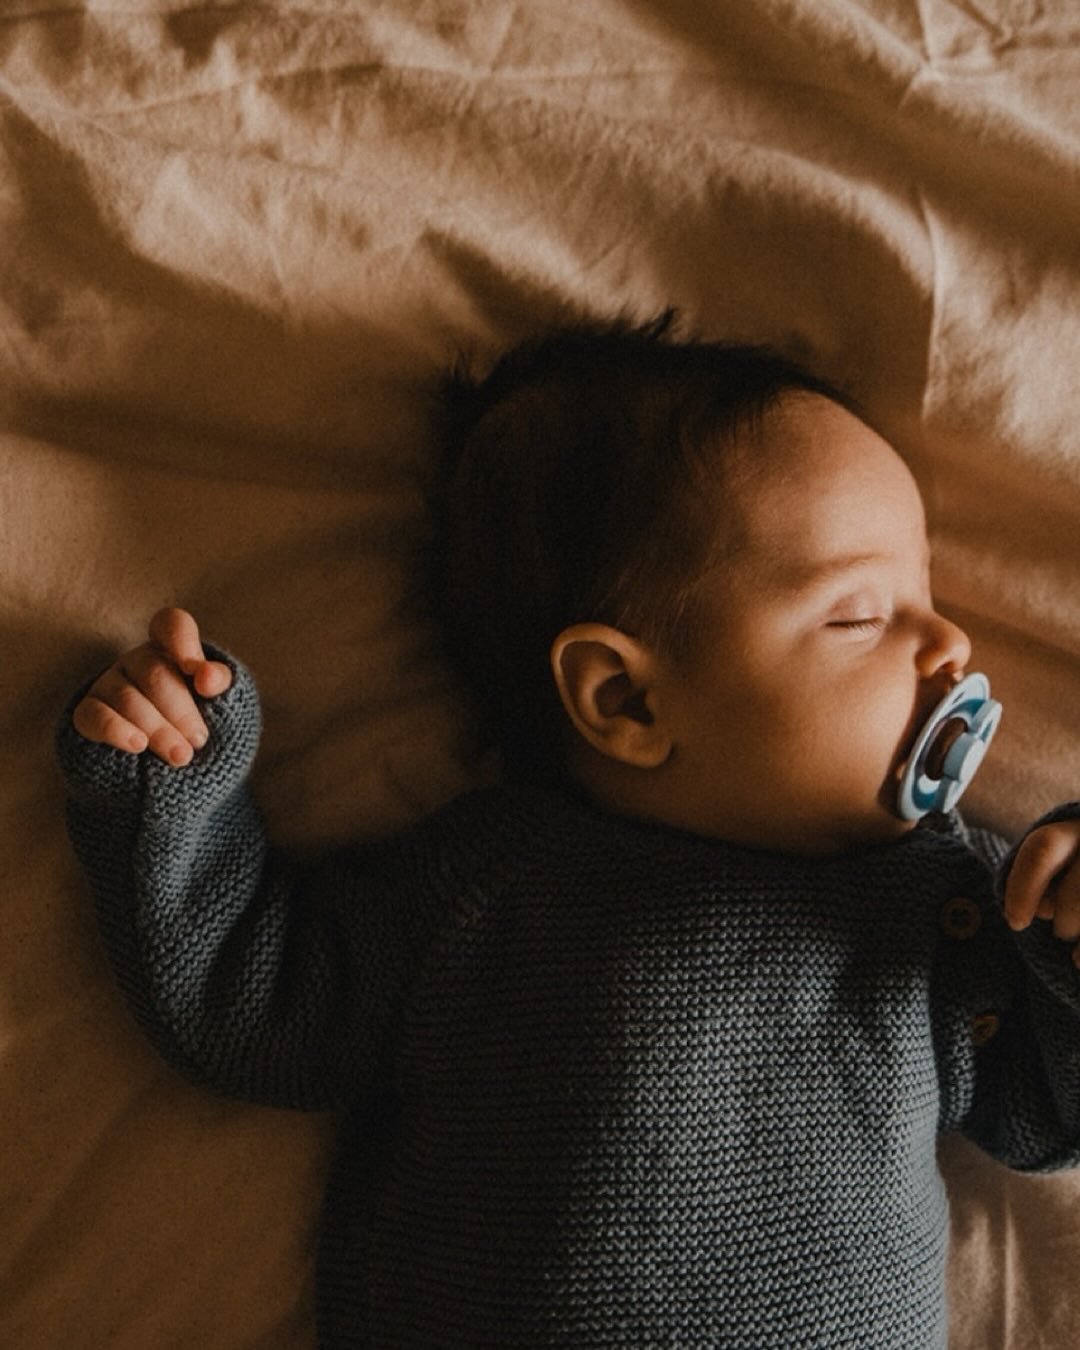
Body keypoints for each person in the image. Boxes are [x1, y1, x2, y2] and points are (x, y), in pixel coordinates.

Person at [57, 315, 1080, 1348]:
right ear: (625, 702)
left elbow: (1045, 1113)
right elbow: (250, 1006)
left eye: (927, 591)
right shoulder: (488, 890)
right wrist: (171, 786)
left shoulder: (937, 907)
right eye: (860, 614)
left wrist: (1071, 942)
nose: (948, 642)